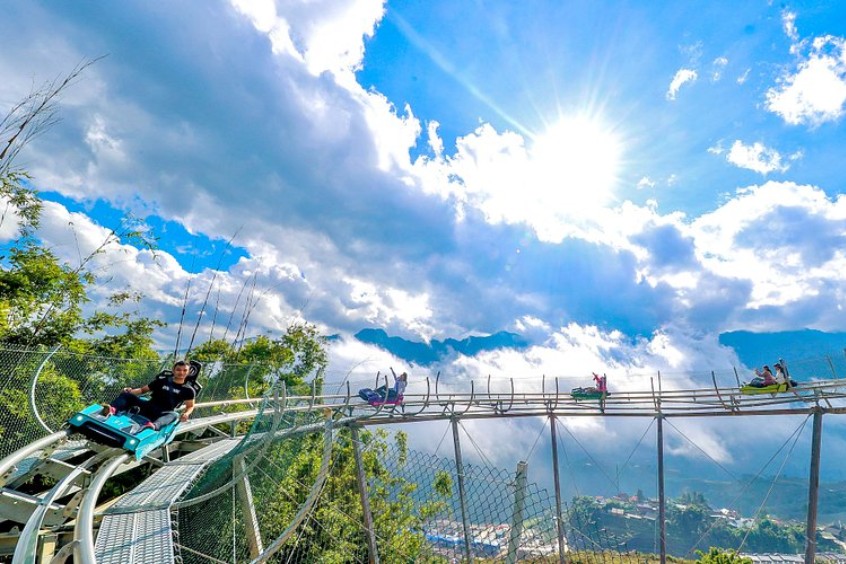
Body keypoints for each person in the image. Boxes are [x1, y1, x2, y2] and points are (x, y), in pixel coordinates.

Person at [103, 360, 197, 431]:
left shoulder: (188, 390)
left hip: (163, 413)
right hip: (149, 405)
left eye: (185, 370)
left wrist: (186, 413)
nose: (181, 373)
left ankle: (152, 426)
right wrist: (129, 391)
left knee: (174, 415)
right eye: (179, 370)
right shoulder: (162, 381)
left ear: (188, 372)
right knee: (127, 395)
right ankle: (112, 410)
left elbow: (190, 406)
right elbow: (142, 390)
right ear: (173, 370)